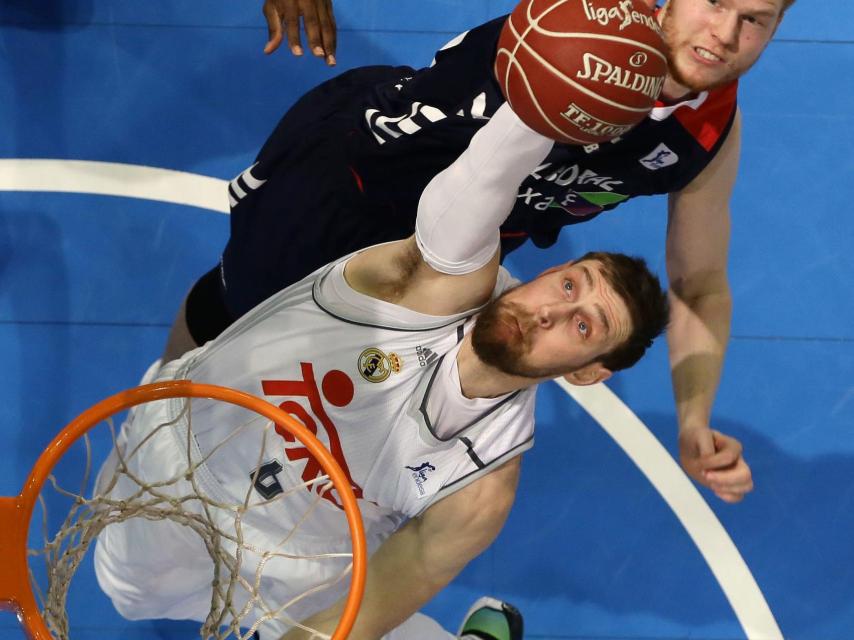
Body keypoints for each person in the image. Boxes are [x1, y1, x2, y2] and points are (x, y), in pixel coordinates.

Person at [164, 0, 789, 505]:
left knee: (352, 404)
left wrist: (692, 418)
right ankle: (158, 419)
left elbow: (700, 281)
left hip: (455, 269)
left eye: (755, 19)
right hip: (353, 189)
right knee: (234, 318)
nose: (726, 32)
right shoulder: (587, 22)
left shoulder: (707, 136)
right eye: (714, 2)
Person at [99, 105, 669, 640]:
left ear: (589, 374)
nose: (549, 311)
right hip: (175, 460)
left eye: (584, 327)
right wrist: (536, 107)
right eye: (569, 285)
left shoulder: (481, 492)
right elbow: (481, 182)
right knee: (127, 593)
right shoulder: (433, 284)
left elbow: (371, 605)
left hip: (292, 571)